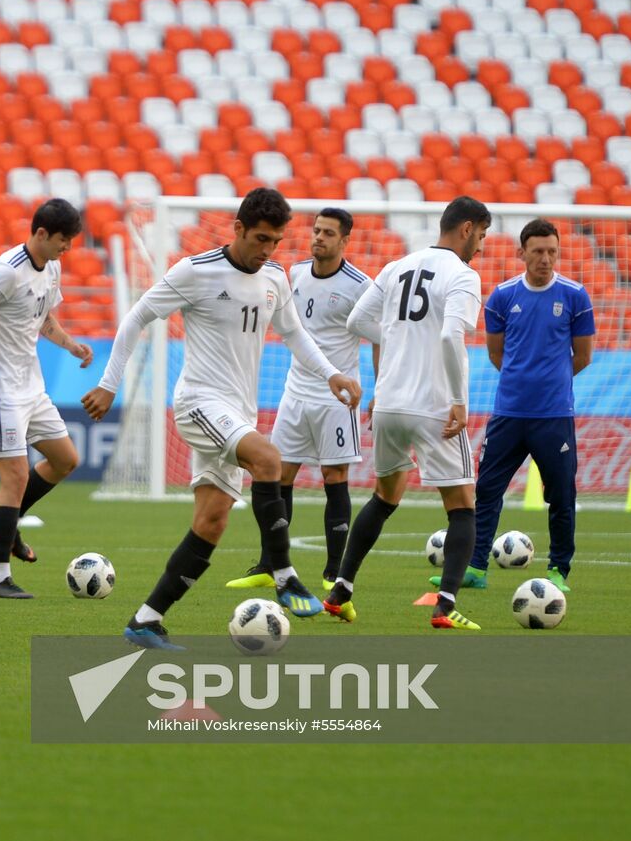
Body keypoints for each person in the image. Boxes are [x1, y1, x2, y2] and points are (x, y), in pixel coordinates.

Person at [82, 188, 361, 650]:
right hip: (198, 404)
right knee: (269, 460)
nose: (267, 250)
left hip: (238, 411)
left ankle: (146, 620)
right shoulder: (196, 271)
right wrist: (111, 383)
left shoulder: (274, 276)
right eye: (260, 239)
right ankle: (285, 572)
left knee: (211, 522)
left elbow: (296, 336)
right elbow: (136, 318)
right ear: (237, 229)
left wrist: (332, 374)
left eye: (275, 241)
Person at [326, 196, 491, 630]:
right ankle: (446, 606)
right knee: (462, 505)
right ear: (468, 228)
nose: (482, 246)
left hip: (389, 403)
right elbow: (451, 336)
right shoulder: (462, 275)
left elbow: (357, 321)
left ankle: (341, 591)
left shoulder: (397, 266)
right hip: (433, 405)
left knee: (385, 496)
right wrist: (459, 400)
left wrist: (399, 338)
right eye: (483, 236)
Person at [432, 219, 593, 594]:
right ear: (521, 253)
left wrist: (549, 380)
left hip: (554, 416)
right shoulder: (503, 296)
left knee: (561, 495)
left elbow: (583, 356)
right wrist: (523, 379)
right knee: (487, 490)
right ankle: (475, 566)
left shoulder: (574, 296)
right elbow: (495, 351)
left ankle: (558, 569)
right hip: (508, 413)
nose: (545, 259)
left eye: (551, 251)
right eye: (537, 251)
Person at [228, 207, 377, 593]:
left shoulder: (361, 285)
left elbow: (380, 336)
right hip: (296, 390)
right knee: (278, 475)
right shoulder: (293, 275)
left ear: (345, 241)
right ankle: (270, 563)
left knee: (334, 477)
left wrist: (381, 387)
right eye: (316, 230)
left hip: (337, 397)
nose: (319, 238)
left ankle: (332, 572)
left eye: (329, 233)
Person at [0, 198, 92, 599]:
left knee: (66, 459)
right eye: (63, 241)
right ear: (42, 233)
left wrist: (70, 345)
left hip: (32, 387)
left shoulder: (52, 267)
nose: (67, 249)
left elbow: (42, 316)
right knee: (14, 477)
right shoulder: (4, 272)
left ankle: (9, 524)